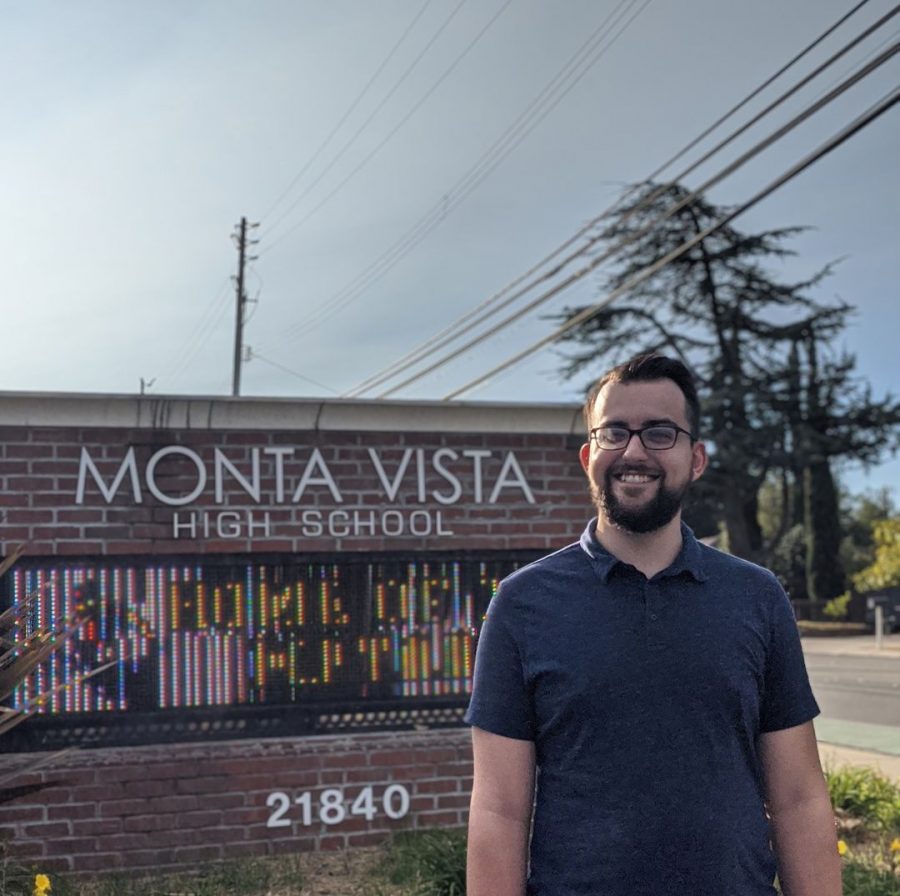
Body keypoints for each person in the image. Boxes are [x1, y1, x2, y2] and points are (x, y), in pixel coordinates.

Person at [465, 353, 841, 896]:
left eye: (660, 433)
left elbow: (798, 796)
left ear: (696, 459)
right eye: (614, 432)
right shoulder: (522, 604)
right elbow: (499, 810)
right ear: (588, 454)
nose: (634, 451)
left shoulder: (758, 598)